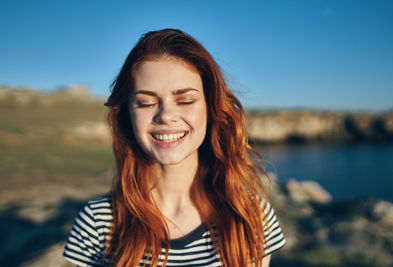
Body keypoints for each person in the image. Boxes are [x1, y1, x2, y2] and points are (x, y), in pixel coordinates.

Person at [63, 28, 285, 267]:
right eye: (146, 103)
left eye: (186, 100)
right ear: (128, 115)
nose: (166, 115)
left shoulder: (250, 214)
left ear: (211, 108)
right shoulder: (98, 223)